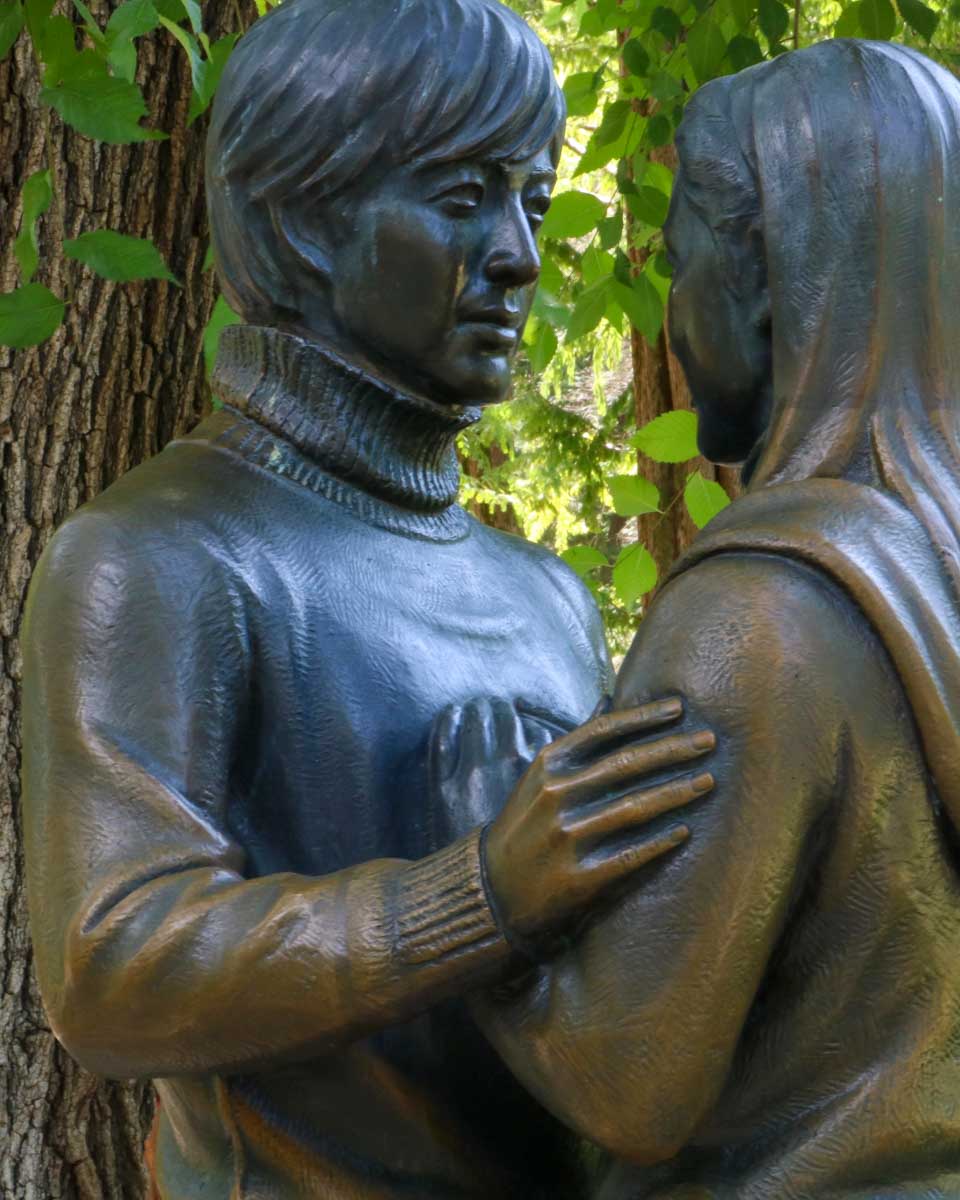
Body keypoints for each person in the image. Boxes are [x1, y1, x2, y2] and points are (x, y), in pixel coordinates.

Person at [19, 2, 716, 1198]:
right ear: (302, 220)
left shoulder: (545, 595)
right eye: (461, 198)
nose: (519, 255)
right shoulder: (160, 557)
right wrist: (481, 896)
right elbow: (111, 971)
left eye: (533, 204)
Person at [443, 39, 960, 1197]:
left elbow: (627, 1085)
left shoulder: (762, 615)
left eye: (682, 265)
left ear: (770, 278)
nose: (672, 313)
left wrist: (483, 864)